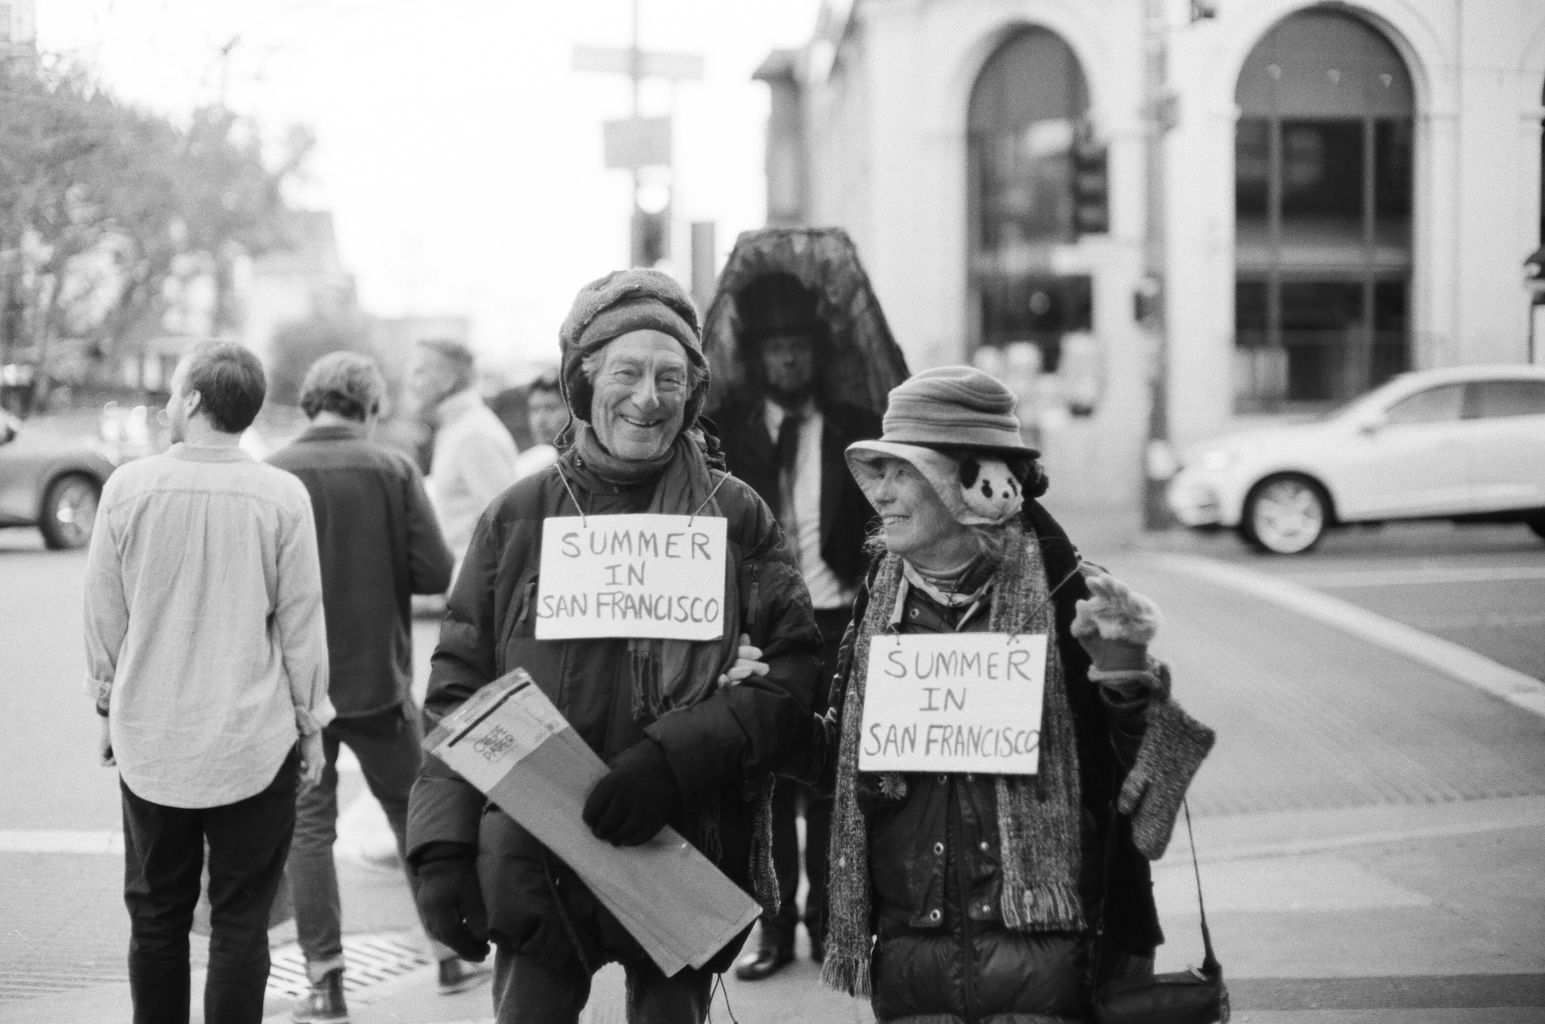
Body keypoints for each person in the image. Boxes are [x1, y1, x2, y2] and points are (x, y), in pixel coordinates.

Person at [405, 268, 823, 1024]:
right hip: (533, 853)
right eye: (625, 372)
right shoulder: (517, 516)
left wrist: (675, 758)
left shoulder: (733, 515)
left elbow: (795, 676)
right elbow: (459, 687)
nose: (647, 397)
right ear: (582, 383)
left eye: (670, 377)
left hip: (682, 845)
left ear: (692, 394)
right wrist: (439, 844)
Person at [792, 365, 1216, 1022]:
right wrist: (761, 712)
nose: (880, 492)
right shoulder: (878, 603)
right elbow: (841, 770)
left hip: (1055, 968)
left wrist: (1125, 673)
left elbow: (1154, 800)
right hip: (911, 966)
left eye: (902, 471)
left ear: (975, 484)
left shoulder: (1072, 595)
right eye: (876, 471)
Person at [83, 340, 334, 1024]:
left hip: (152, 739)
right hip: (252, 742)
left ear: (193, 400)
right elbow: (302, 623)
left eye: (172, 391)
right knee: (240, 923)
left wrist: (108, 706)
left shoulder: (128, 489)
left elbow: (105, 613)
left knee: (157, 918)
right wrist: (310, 724)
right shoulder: (282, 497)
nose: (168, 402)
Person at [268, 352, 488, 1023]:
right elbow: (433, 570)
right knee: (414, 814)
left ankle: (326, 982)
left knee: (309, 829)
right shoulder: (391, 468)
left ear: (311, 401)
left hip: (300, 691)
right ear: (369, 405)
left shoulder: (273, 472)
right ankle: (449, 955)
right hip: (380, 683)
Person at [705, 260, 899, 980]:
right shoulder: (727, 435)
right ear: (757, 357)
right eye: (774, 347)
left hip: (839, 624)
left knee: (830, 785)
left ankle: (826, 924)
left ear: (816, 354)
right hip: (762, 633)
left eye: (799, 345)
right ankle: (774, 928)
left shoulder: (855, 429)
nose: (787, 357)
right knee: (766, 786)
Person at [408, 337, 521, 578]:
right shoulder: (457, 428)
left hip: (473, 596)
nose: (411, 383)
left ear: (448, 380)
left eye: (420, 372)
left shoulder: (474, 434)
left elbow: (506, 526)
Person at [513, 368, 566, 478]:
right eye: (534, 409)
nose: (540, 420)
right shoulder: (528, 467)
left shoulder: (593, 465)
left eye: (551, 408)